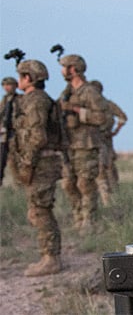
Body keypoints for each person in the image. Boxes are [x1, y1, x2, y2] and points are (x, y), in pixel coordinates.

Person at [10, 60, 64, 276]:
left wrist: (27, 164)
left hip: (41, 163)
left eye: (21, 76)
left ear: (29, 78)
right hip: (38, 162)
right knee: (37, 210)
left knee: (40, 210)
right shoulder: (29, 100)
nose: (18, 80)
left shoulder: (36, 101)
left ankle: (51, 258)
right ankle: (48, 255)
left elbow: (38, 137)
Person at [59, 54, 108, 233]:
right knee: (68, 184)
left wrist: (77, 110)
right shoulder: (67, 92)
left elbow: (102, 116)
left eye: (65, 67)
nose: (62, 71)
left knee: (85, 184)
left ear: (73, 69)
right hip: (69, 145)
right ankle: (78, 216)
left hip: (86, 144)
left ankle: (89, 221)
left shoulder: (89, 91)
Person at [91, 80, 126, 206]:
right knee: (99, 169)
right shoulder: (90, 106)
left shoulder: (107, 105)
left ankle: (112, 198)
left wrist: (115, 131)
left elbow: (122, 117)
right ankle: (105, 199)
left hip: (105, 140)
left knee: (108, 168)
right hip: (93, 141)